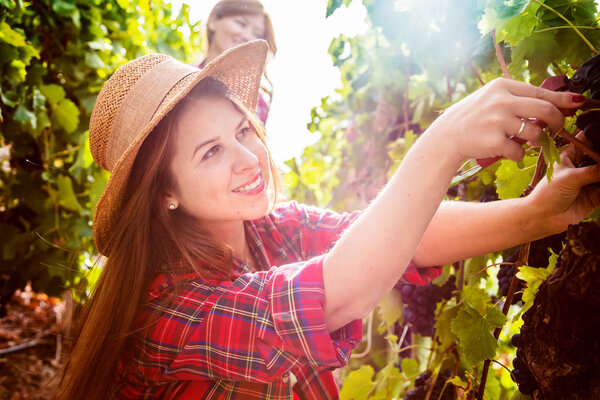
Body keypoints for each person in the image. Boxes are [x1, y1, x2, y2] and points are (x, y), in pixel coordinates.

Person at [55, 40, 600, 400]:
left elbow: (403, 238)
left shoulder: (270, 228)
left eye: (243, 133)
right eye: (210, 152)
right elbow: (334, 292)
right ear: (165, 193)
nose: (248, 160)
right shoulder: (165, 308)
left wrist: (540, 213)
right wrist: (445, 140)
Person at [194, 0, 276, 125]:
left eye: (257, 34)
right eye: (241, 23)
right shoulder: (176, 80)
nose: (248, 36)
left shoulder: (257, 105)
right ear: (213, 20)